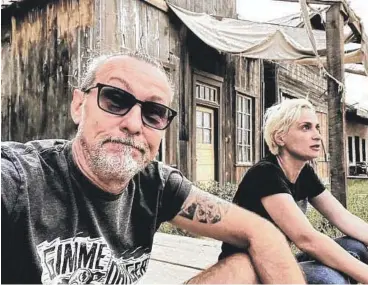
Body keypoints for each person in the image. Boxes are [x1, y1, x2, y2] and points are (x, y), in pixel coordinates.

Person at [1, 52, 306, 284]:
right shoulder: (20, 179)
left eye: (154, 112)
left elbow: (262, 232)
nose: (134, 124)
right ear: (79, 105)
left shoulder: (155, 184)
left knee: (243, 267)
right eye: (115, 99)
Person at [219, 98, 368, 284]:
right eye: (305, 127)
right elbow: (307, 240)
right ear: (280, 137)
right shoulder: (265, 174)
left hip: (276, 263)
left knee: (355, 248)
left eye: (317, 127)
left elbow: (344, 218)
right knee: (328, 279)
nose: (317, 135)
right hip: (246, 274)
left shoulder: (303, 172)